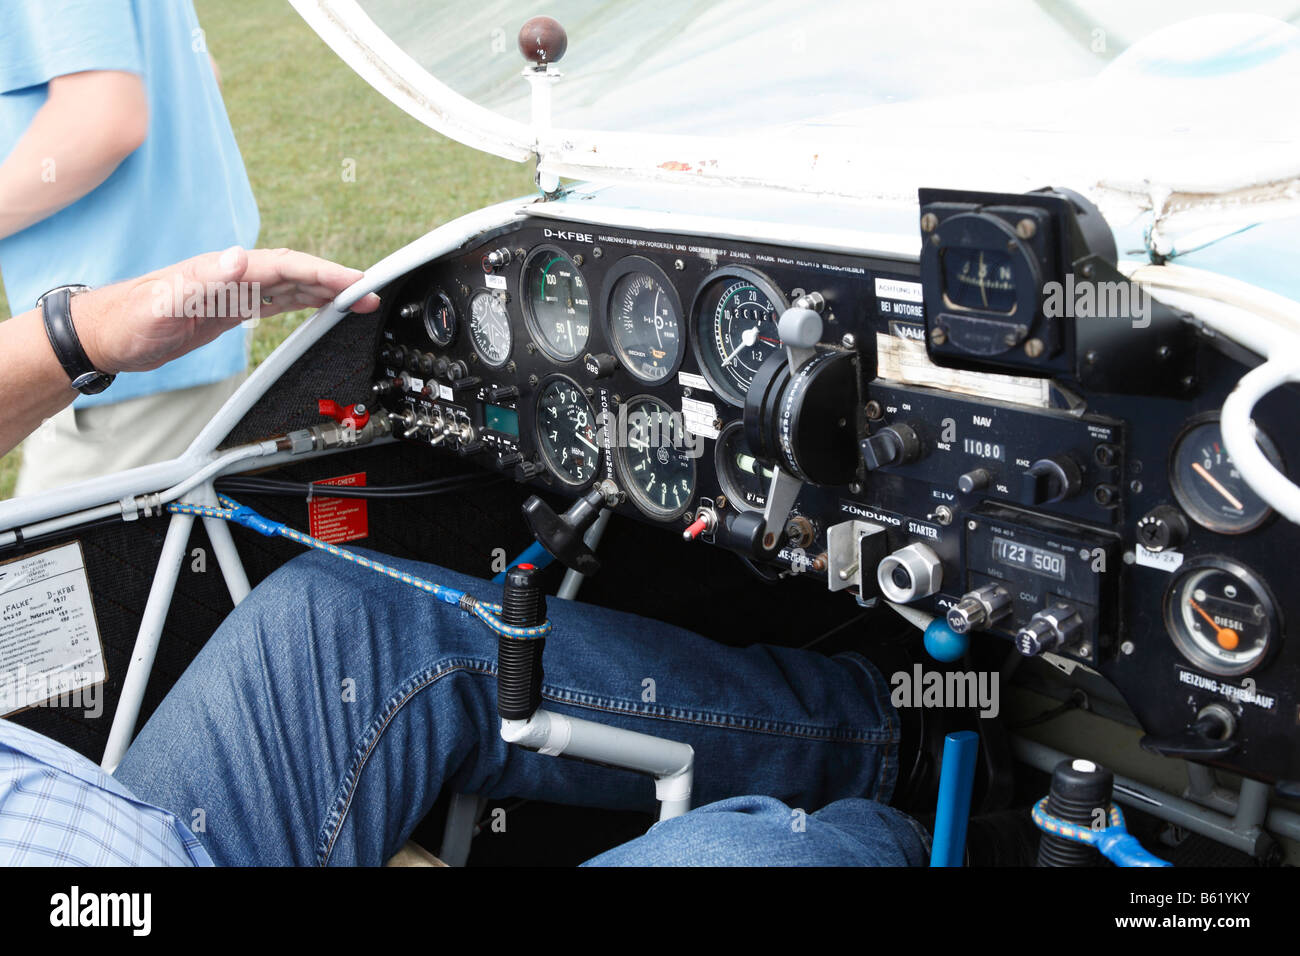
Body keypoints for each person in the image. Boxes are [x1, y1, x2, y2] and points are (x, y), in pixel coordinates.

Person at [0, 246, 929, 866]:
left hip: (128, 830)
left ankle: (886, 741)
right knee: (747, 857)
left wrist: (76, 337)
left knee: (345, 615)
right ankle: (930, 841)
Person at [0, 0, 259, 496]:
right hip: (175, 315)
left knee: (57, 548)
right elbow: (200, 71)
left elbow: (102, 119)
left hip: (119, 346)